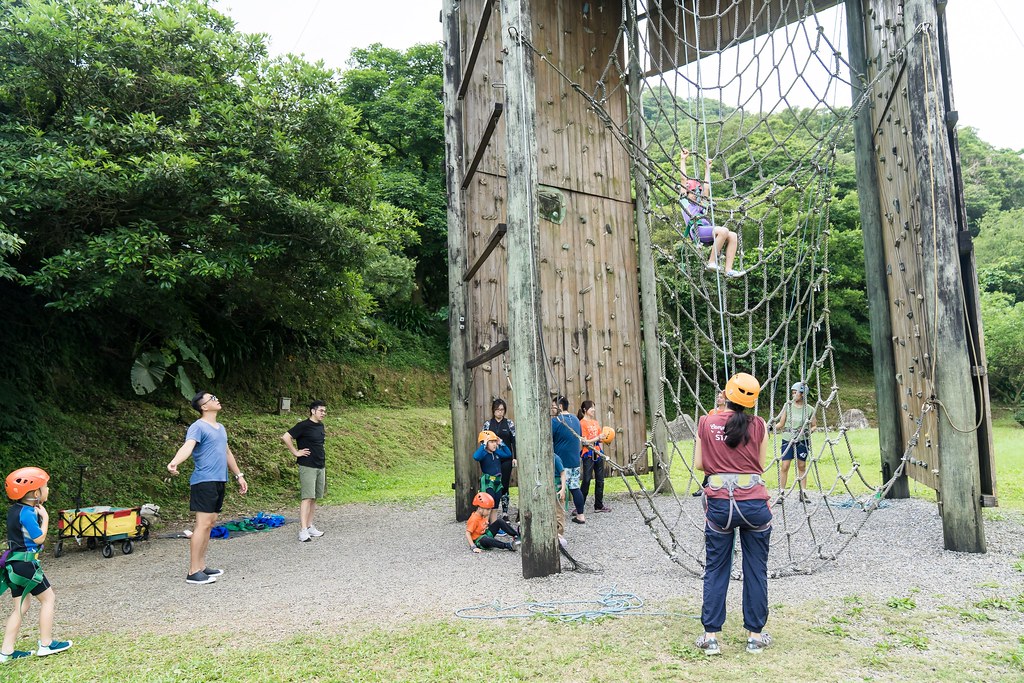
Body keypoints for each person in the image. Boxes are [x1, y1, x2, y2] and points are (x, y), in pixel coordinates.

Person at [693, 372, 772, 656]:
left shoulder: (706, 422)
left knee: (716, 567)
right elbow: (760, 465)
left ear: (725, 394)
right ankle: (755, 636)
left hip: (720, 505)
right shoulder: (759, 425)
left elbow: (701, 463)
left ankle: (711, 636)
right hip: (753, 503)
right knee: (756, 568)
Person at [167, 392, 248, 585]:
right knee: (202, 525)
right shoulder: (197, 426)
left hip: (220, 480)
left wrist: (239, 475)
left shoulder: (220, 428)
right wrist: (174, 462)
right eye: (211, 399)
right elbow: (188, 446)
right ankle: (193, 571)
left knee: (210, 524)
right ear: (203, 407)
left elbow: (227, 451)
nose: (216, 399)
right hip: (204, 481)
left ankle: (202, 566)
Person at [1, 467, 72, 663]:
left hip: (13, 564)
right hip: (26, 564)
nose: (47, 489)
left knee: (20, 608)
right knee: (48, 599)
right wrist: (46, 519)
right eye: (45, 486)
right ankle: (46, 644)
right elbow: (39, 538)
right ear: (35, 493)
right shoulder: (27, 513)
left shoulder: (13, 510)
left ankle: (6, 652)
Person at [680, 148, 744, 278]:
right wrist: (683, 160)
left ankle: (728, 270)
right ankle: (711, 262)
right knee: (724, 231)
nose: (695, 194)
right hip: (697, 230)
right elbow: (683, 179)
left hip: (707, 231)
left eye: (697, 191)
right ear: (687, 192)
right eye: (693, 192)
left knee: (732, 235)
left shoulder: (701, 203)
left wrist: (707, 169)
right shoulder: (684, 201)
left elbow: (707, 187)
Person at [281, 400, 328, 542]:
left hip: (320, 464)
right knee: (307, 497)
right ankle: (302, 530)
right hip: (307, 465)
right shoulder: (303, 425)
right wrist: (296, 452)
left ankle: (309, 526)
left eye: (324, 411)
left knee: (314, 497)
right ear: (313, 411)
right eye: (321, 411)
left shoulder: (320, 426)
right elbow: (286, 436)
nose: (323, 414)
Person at [773, 382, 817, 505]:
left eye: (795, 392)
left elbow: (814, 425)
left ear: (802, 394)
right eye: (792, 393)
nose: (793, 395)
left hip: (802, 440)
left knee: (801, 466)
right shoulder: (788, 406)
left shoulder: (809, 409)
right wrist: (770, 428)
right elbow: (781, 424)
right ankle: (781, 493)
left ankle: (803, 492)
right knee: (785, 466)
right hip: (788, 439)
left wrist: (809, 432)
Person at [551, 396, 586, 524]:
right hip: (575, 460)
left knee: (559, 487)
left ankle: (559, 515)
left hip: (561, 461)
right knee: (575, 487)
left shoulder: (555, 421)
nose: (552, 409)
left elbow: (549, 438)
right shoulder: (576, 420)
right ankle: (581, 515)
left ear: (560, 407)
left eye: (554, 406)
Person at [482, 398, 517, 519]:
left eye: (502, 410)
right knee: (492, 484)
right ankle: (491, 511)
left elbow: (514, 441)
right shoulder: (488, 424)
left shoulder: (509, 423)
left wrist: (514, 457)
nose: (500, 413)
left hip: (506, 457)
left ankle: (505, 512)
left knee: (504, 484)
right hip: (492, 458)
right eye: (497, 410)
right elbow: (483, 442)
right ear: (493, 411)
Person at [472, 430, 513, 524]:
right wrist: (484, 445)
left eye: (495, 441)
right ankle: (484, 526)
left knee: (495, 506)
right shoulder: (483, 454)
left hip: (497, 482)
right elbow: (476, 457)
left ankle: (494, 526)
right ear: (485, 443)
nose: (494, 444)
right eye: (491, 442)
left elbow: (508, 454)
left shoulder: (496, 453)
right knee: (487, 506)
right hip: (488, 483)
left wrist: (501, 443)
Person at [577, 400, 611, 513]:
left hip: (598, 452)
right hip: (588, 454)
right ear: (585, 410)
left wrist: (606, 438)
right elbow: (585, 442)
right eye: (592, 408)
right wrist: (597, 438)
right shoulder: (581, 423)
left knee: (600, 480)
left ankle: (599, 505)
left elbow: (600, 438)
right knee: (586, 479)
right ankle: (579, 506)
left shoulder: (595, 422)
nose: (594, 410)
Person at [693, 390, 728, 497]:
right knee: (710, 461)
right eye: (717, 397)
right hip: (714, 440)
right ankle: (705, 486)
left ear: (726, 400)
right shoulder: (713, 412)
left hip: (724, 440)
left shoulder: (728, 412)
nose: (719, 399)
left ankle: (707, 486)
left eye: (721, 397)